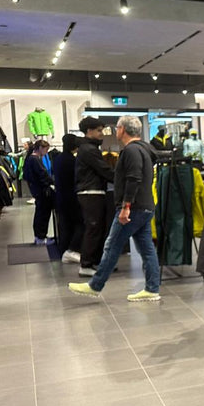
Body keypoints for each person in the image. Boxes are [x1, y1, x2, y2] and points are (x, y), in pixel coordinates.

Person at [68, 115, 161, 302]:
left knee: (112, 245)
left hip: (133, 208)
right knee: (146, 249)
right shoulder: (144, 149)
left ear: (123, 130)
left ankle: (95, 285)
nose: (113, 131)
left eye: (116, 128)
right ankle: (152, 289)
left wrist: (126, 206)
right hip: (144, 206)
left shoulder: (131, 151)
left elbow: (133, 178)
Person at [75, 117, 116, 276]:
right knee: (93, 228)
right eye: (99, 131)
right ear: (89, 131)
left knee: (96, 228)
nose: (102, 134)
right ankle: (86, 265)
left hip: (92, 191)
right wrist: (122, 178)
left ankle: (92, 263)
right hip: (91, 192)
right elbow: (104, 170)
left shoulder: (88, 148)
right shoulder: (89, 150)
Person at [53, 134, 84, 263]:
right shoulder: (71, 160)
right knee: (80, 224)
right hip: (70, 198)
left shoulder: (58, 158)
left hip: (60, 197)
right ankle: (71, 250)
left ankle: (64, 250)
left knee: (65, 225)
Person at [22, 140, 55, 244]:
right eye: (46, 149)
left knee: (40, 213)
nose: (46, 152)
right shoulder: (35, 159)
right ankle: (41, 237)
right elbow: (43, 174)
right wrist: (53, 182)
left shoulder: (30, 158)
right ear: (40, 148)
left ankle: (40, 236)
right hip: (42, 190)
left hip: (36, 190)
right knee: (43, 214)